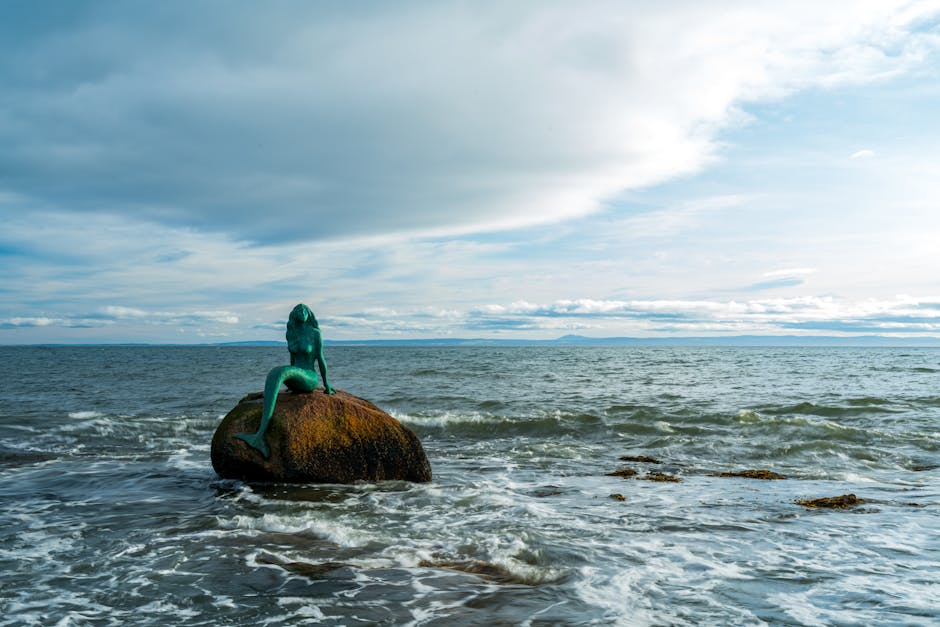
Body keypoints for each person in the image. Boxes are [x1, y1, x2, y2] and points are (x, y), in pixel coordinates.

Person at [235, 303, 335, 457]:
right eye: (298, 311)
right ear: (294, 314)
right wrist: (291, 380)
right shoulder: (291, 333)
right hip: (296, 376)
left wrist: (327, 385)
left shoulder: (315, 333)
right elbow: (292, 358)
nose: (301, 313)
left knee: (279, 371)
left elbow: (321, 359)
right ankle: (259, 435)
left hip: (309, 377)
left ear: (309, 314)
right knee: (275, 373)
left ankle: (260, 436)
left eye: (304, 310)